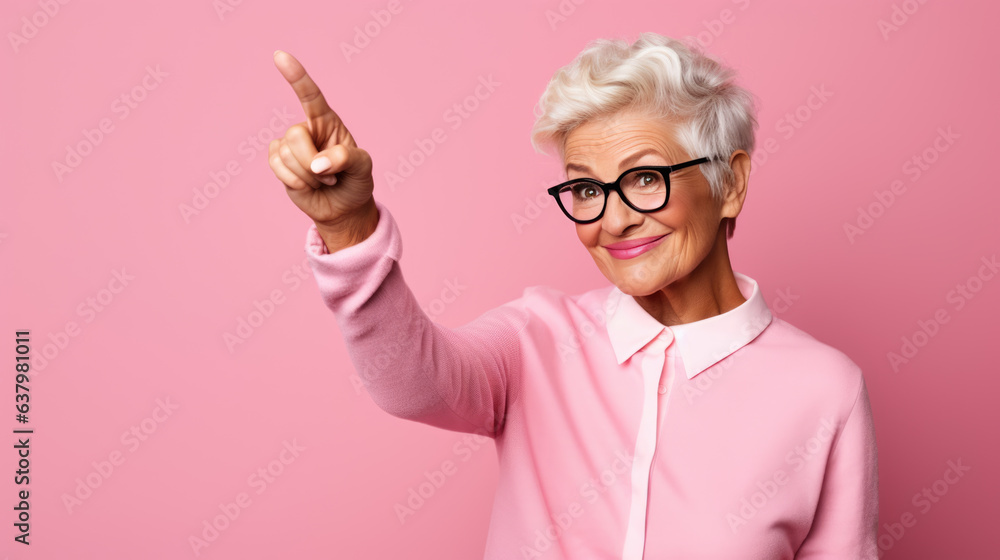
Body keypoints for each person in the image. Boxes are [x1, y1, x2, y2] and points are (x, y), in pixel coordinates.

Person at [268, 32, 878, 559]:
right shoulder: (537, 339)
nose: (612, 220)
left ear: (730, 183)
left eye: (645, 178)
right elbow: (412, 383)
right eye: (586, 190)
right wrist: (349, 227)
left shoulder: (824, 390)